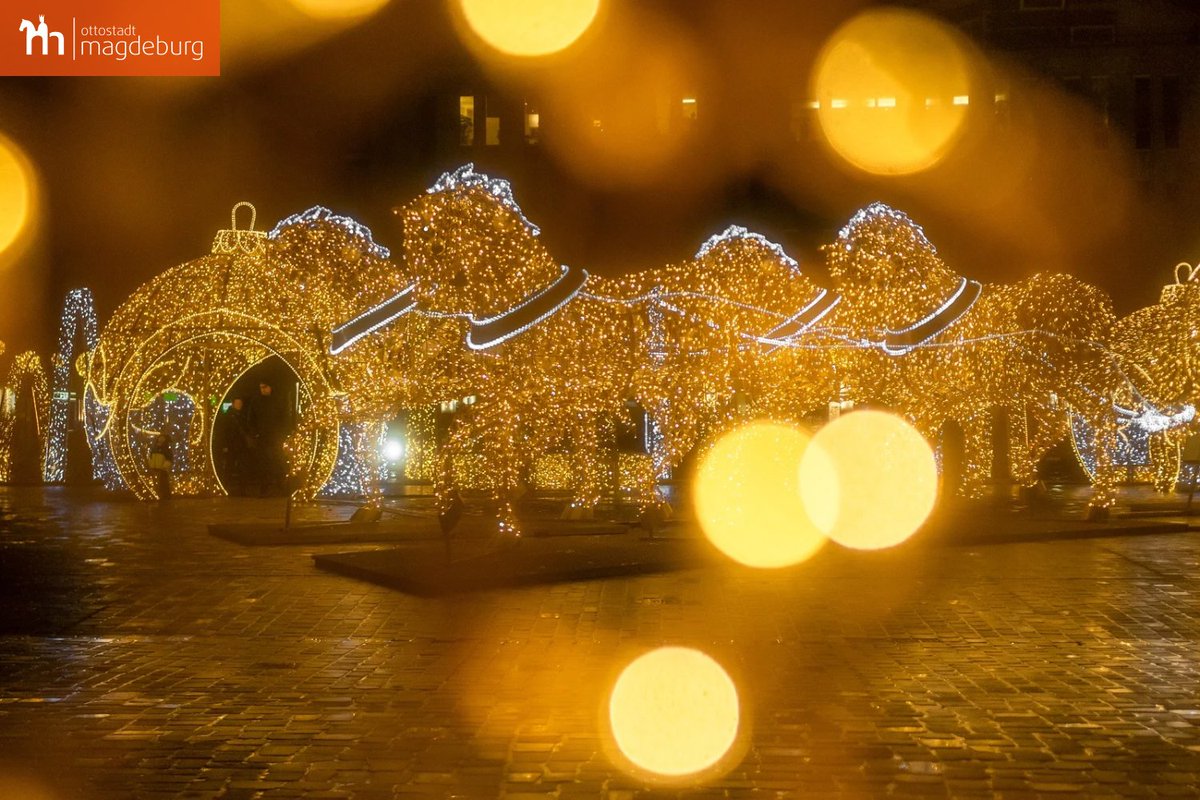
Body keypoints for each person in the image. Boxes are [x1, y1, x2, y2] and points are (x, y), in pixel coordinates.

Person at [246, 381, 289, 495]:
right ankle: (265, 487)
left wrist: (281, 433)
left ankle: (279, 485)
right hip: (263, 437)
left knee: (277, 460)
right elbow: (251, 419)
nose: (263, 390)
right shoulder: (256, 401)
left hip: (275, 437)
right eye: (261, 387)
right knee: (264, 462)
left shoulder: (278, 400)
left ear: (270, 387)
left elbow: (284, 418)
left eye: (265, 387)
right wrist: (256, 433)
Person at [220, 397, 251, 495]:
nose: (239, 405)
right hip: (232, 444)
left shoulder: (242, 415)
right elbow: (225, 431)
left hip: (240, 445)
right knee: (230, 466)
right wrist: (225, 445)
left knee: (242, 466)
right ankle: (226, 486)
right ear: (233, 404)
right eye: (237, 403)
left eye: (240, 403)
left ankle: (242, 489)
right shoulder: (229, 416)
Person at [147, 432, 173, 501]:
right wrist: (151, 464)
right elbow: (151, 456)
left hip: (162, 469)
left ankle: (165, 496)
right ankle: (161, 496)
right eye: (160, 438)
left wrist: (164, 466)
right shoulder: (155, 447)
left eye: (162, 438)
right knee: (158, 483)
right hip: (155, 467)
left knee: (163, 483)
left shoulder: (166, 448)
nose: (161, 439)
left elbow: (169, 458)